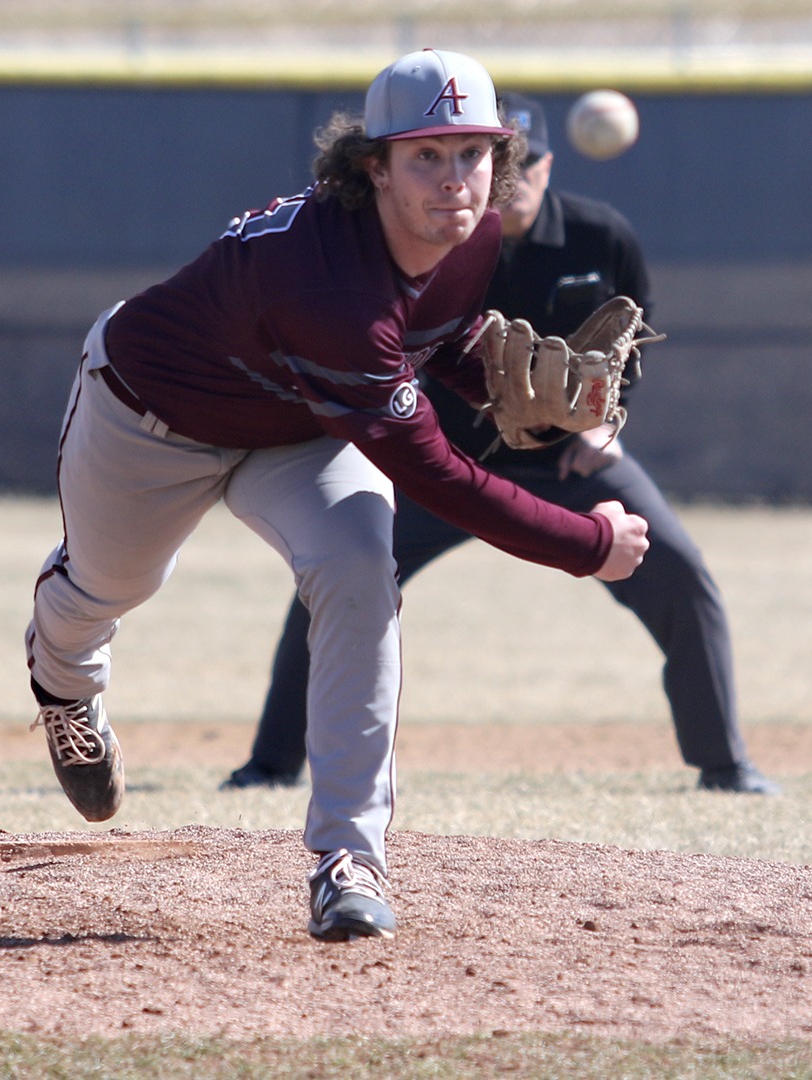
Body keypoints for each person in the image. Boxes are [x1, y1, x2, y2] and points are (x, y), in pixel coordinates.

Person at [24, 52, 651, 943]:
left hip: (304, 429)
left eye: (471, 153)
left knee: (362, 572)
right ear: (373, 167)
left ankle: (348, 858)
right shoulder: (329, 289)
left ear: (499, 160)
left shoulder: (471, 236)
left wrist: (497, 382)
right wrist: (585, 544)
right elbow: (435, 473)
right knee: (106, 590)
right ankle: (63, 683)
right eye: (424, 156)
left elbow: (446, 329)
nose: (453, 180)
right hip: (152, 415)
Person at [222, 92, 779, 798]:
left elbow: (633, 340)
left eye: (517, 164)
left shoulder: (598, 235)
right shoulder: (437, 238)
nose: (505, 183)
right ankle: (270, 764)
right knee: (336, 581)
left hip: (566, 459)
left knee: (678, 571)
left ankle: (725, 764)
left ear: (540, 165)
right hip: (440, 463)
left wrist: (607, 426)